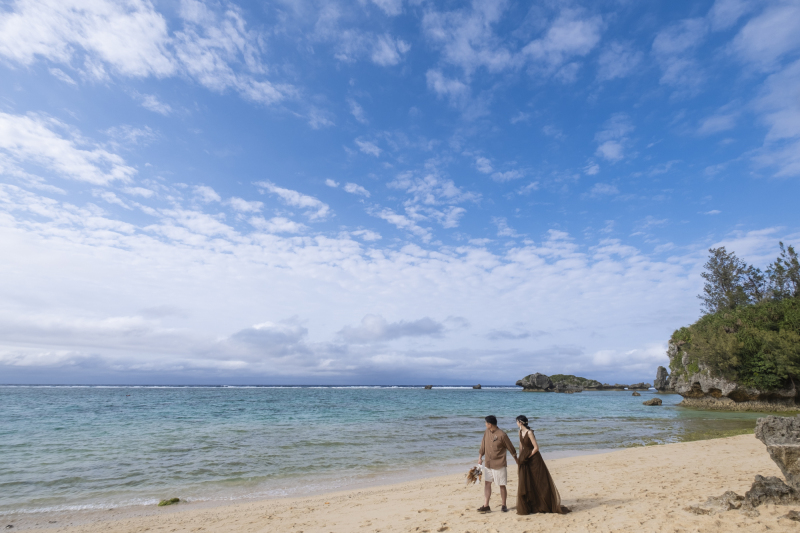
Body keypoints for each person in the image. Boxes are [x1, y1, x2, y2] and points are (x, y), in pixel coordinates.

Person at [515, 415, 570, 515]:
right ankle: (530, 505)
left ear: (521, 422)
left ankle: (543, 504)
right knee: (526, 481)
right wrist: (520, 457)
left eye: (517, 421)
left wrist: (528, 456)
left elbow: (536, 447)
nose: (516, 423)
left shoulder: (529, 432)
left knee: (538, 480)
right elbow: (521, 445)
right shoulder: (519, 432)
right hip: (525, 459)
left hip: (534, 458)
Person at [477, 415, 517, 513]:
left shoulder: (502, 435)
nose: (485, 424)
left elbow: (511, 448)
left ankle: (504, 505)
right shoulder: (486, 432)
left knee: (501, 485)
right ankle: (486, 505)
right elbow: (483, 445)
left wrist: (517, 460)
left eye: (486, 423)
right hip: (488, 463)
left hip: (499, 464)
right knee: (487, 483)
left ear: (490, 424)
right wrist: (480, 457)